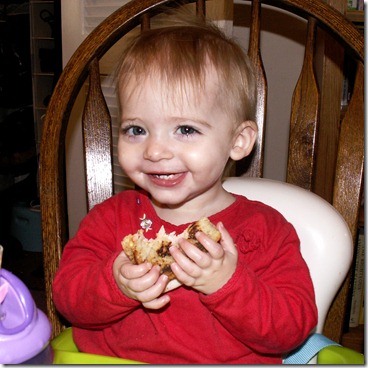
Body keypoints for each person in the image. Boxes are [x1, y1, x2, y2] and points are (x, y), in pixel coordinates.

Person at [52, 11, 317, 364]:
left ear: (238, 141)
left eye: (186, 130)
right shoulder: (109, 220)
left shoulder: (266, 231)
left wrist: (228, 283)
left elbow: (292, 329)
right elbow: (66, 297)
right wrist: (115, 283)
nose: (155, 151)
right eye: (136, 130)